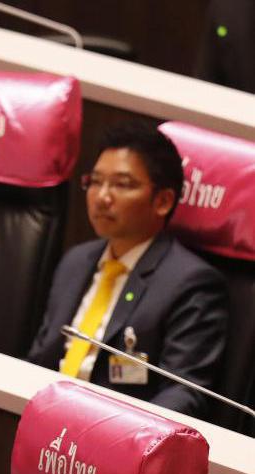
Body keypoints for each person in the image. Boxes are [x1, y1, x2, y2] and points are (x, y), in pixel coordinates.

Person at [27, 121, 228, 418]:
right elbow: (41, 357)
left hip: (116, 436)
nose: (102, 196)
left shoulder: (191, 283)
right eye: (95, 181)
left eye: (122, 184)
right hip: (45, 420)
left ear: (162, 201)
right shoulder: (75, 262)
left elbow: (184, 393)